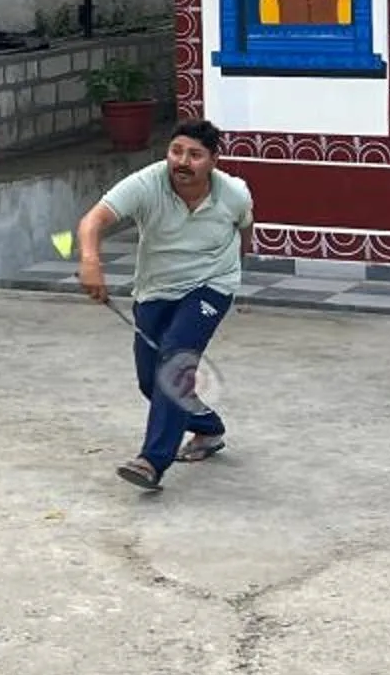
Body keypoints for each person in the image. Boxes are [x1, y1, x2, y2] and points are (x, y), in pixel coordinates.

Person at [73, 119, 256, 492]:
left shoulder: (234, 193)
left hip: (211, 286)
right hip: (155, 289)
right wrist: (90, 261)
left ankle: (151, 461)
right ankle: (208, 428)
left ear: (214, 160)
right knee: (150, 380)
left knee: (175, 358)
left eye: (195, 155)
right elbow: (93, 221)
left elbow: (245, 230)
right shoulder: (146, 183)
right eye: (176, 152)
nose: (183, 162)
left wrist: (237, 270)